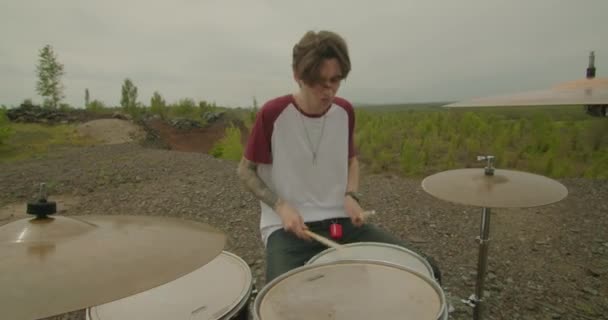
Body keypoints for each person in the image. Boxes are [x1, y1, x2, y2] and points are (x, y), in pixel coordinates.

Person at [237, 30, 441, 284]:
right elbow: (245, 170)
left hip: (342, 223)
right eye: (318, 81)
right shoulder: (273, 113)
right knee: (281, 298)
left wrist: (350, 195)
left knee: (424, 270)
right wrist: (281, 206)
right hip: (287, 228)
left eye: (335, 80)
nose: (328, 91)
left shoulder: (344, 111)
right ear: (298, 76)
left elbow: (351, 160)